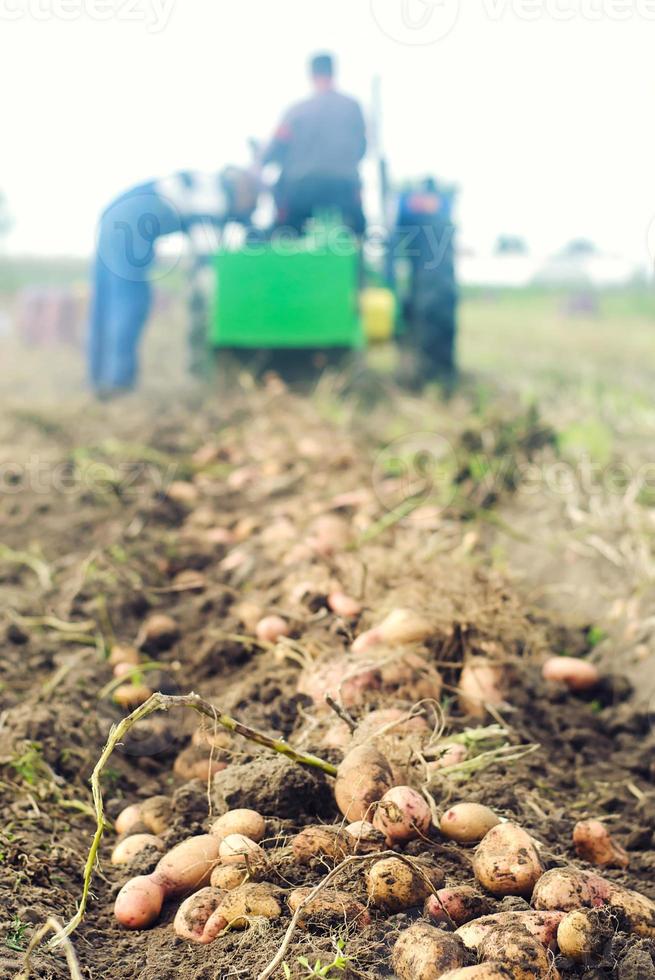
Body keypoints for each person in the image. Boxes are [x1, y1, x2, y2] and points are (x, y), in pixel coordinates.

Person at [88, 167, 259, 397]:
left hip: (114, 215)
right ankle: (117, 384)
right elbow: (205, 260)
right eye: (252, 202)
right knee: (130, 301)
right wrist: (218, 304)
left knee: (107, 301)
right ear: (244, 191)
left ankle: (99, 379)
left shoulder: (205, 185)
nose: (248, 211)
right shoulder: (212, 197)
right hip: (129, 222)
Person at [263, 53, 367, 235]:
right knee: (357, 229)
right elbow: (362, 147)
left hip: (301, 188)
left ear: (311, 75)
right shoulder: (352, 107)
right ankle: (357, 257)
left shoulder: (296, 111)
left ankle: (289, 249)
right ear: (334, 72)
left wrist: (262, 163)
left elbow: (275, 148)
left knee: (286, 230)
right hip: (343, 187)